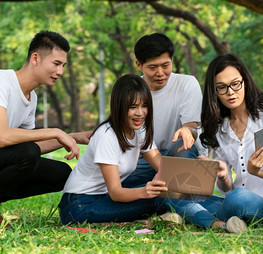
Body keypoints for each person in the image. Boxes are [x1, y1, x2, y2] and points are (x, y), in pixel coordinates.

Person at [162, 53, 263, 232]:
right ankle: (223, 224)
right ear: (215, 92)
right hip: (233, 200)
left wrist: (257, 171)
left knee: (238, 198)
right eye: (222, 87)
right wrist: (223, 176)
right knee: (173, 197)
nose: (230, 92)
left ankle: (210, 219)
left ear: (245, 82)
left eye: (235, 84)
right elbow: (227, 188)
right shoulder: (219, 129)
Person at [0, 31, 89, 224]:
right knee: (29, 152)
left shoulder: (32, 98)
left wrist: (72, 137)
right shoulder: (3, 82)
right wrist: (56, 132)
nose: (60, 72)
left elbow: (29, 146)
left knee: (61, 173)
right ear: (35, 58)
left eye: (63, 66)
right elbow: (2, 136)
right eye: (56, 64)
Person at [59, 74, 172, 224]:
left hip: (103, 197)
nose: (140, 113)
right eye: (133, 107)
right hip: (79, 206)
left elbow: (164, 167)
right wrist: (145, 192)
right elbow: (116, 193)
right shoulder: (107, 136)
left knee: (166, 190)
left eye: (144, 106)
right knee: (160, 199)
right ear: (119, 106)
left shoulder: (139, 130)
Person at [123, 33, 205, 188]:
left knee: (183, 145)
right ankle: (169, 192)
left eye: (165, 65)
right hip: (143, 160)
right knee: (113, 174)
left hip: (178, 155)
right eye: (153, 67)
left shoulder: (187, 84)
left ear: (172, 61)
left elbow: (191, 127)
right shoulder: (131, 91)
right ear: (139, 65)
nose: (160, 73)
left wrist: (187, 131)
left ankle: (167, 191)